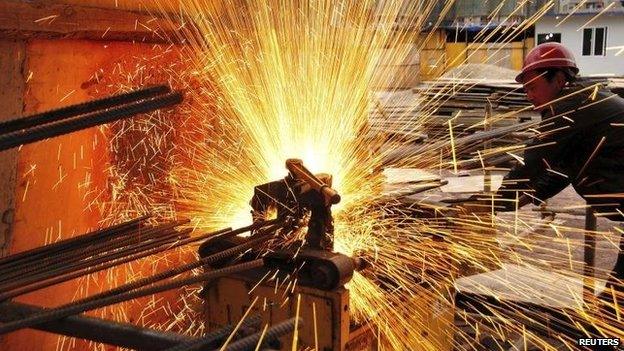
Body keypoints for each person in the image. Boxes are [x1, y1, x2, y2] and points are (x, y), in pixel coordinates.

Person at [469, 42, 624, 329]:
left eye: (533, 86)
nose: (529, 96)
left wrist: (484, 204)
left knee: (614, 313)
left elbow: (533, 165)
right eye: (525, 89)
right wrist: (515, 201)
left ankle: (599, 345)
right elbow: (556, 173)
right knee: (613, 308)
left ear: (560, 78)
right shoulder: (587, 103)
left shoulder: (572, 107)